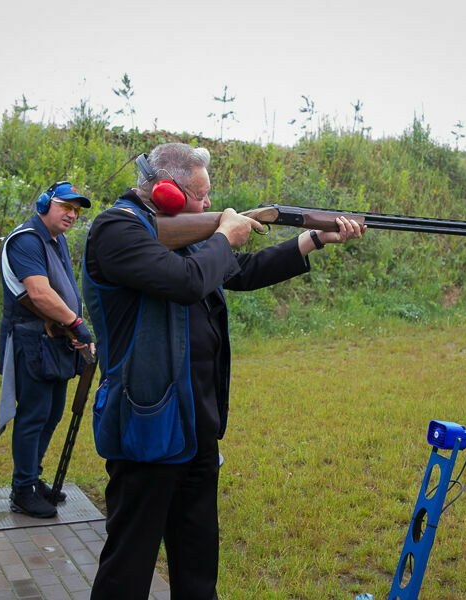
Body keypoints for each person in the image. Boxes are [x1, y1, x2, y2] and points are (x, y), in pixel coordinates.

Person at [82, 142, 363, 599]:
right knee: (128, 568)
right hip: (147, 426)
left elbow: (241, 271)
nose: (211, 203)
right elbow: (186, 282)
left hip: (197, 425)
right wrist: (222, 235)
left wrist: (312, 239)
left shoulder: (181, 234)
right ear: (167, 193)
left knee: (197, 565)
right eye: (201, 195)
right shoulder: (116, 230)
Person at [0, 181, 94, 518]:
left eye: (76, 210)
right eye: (66, 206)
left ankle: (32, 478)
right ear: (44, 203)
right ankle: (22, 490)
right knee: (33, 415)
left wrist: (70, 325)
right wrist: (76, 323)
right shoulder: (26, 240)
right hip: (33, 341)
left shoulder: (56, 240)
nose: (72, 214)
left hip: (55, 341)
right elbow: (38, 293)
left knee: (51, 413)